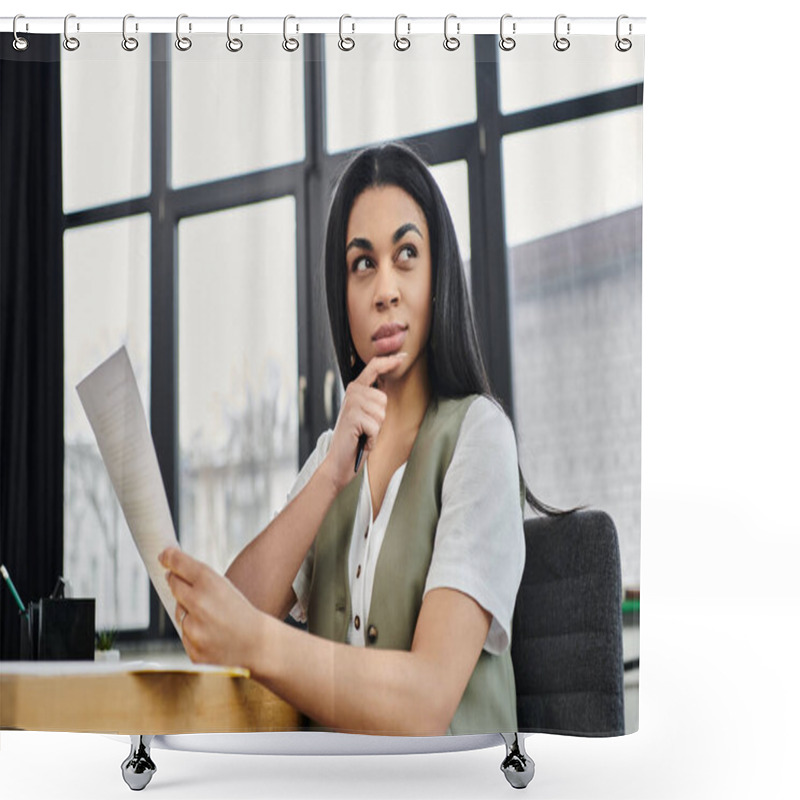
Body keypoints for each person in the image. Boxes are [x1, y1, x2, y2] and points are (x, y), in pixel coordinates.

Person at [160, 142, 557, 736]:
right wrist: (326, 481)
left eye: (406, 255)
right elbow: (227, 617)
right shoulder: (331, 456)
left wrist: (255, 641)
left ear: (438, 273)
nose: (385, 290)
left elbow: (426, 702)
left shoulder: (479, 438)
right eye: (362, 264)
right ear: (342, 294)